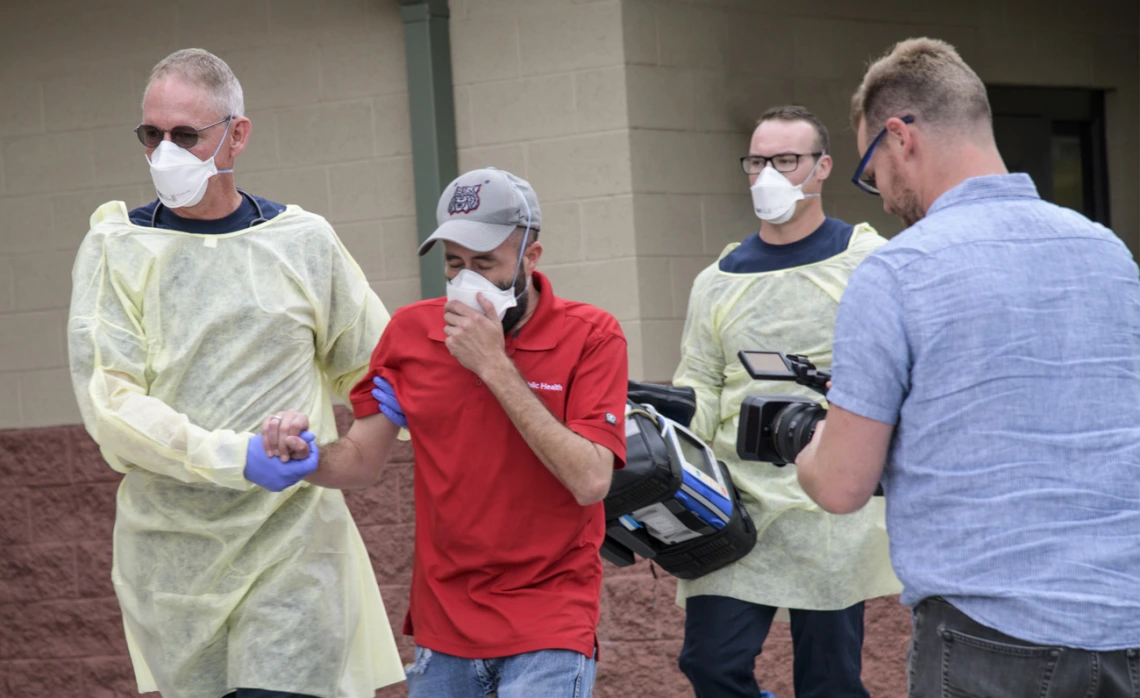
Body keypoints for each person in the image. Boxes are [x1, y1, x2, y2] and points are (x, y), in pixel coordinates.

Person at [795, 37, 1140, 697]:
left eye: (872, 173)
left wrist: (808, 442)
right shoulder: (1109, 254)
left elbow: (841, 486)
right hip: (1127, 621)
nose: (881, 196)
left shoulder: (898, 271)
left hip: (989, 633)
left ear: (900, 138)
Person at [67, 48, 403, 698]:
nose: (166, 152)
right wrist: (235, 456)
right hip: (174, 561)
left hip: (293, 547)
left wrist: (361, 443)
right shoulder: (117, 251)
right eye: (151, 135)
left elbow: (380, 365)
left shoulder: (302, 243)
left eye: (186, 135)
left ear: (236, 134)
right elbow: (112, 406)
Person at [263, 167, 629, 698]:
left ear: (531, 255)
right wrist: (303, 456)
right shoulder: (411, 333)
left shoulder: (592, 335)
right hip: (445, 628)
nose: (467, 279)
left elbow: (591, 480)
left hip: (550, 619)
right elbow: (362, 461)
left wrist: (495, 366)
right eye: (454, 264)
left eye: (485, 263)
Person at [671, 106, 901, 698]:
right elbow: (699, 381)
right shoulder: (718, 279)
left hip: (829, 506)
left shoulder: (866, 262)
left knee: (829, 682)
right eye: (757, 161)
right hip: (735, 503)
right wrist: (666, 457)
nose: (768, 174)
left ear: (822, 168)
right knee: (710, 664)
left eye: (786, 160)